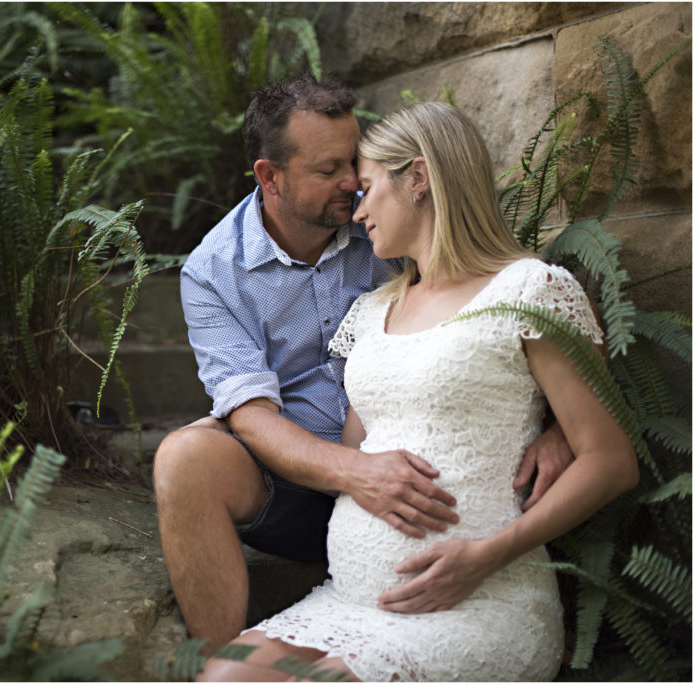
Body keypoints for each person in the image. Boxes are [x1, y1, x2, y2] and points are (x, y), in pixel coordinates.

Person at [197, 101, 639, 681]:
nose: (357, 212)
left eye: (370, 187)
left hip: (478, 602)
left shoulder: (530, 287)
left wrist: (488, 553)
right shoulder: (373, 308)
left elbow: (612, 460)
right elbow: (359, 452)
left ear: (420, 179)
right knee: (223, 674)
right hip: (351, 603)